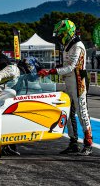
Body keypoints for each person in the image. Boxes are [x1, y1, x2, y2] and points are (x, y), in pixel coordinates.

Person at [38, 19, 92, 156]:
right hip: (69, 82)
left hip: (78, 82)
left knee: (82, 112)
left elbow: (70, 67)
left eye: (61, 35)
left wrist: (51, 71)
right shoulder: (69, 44)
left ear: (67, 33)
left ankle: (88, 143)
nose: (60, 38)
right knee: (67, 111)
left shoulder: (78, 45)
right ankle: (73, 142)